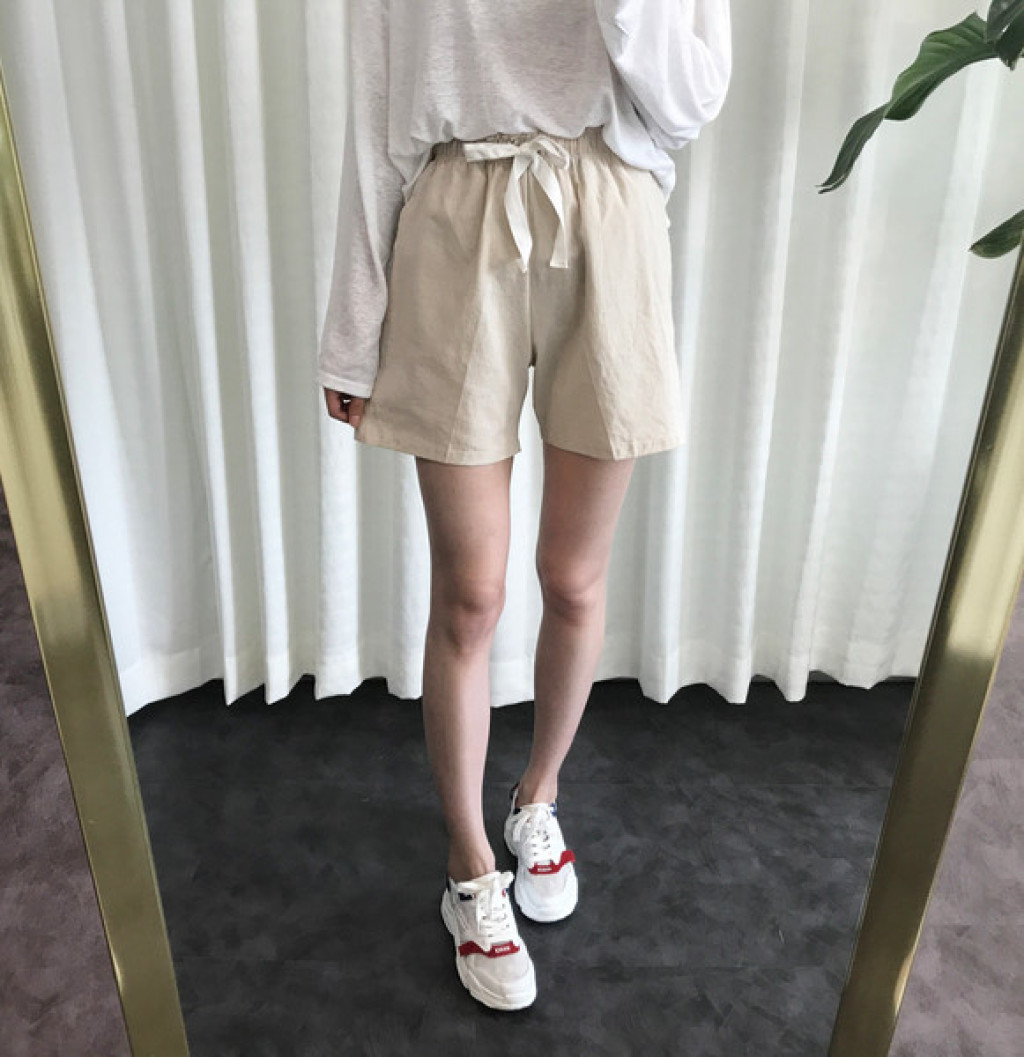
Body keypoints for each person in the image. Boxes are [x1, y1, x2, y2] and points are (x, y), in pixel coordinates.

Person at [319, 0, 732, 1012]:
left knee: (574, 580)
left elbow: (692, 100)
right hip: (455, 210)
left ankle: (536, 797)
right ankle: (470, 867)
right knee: (471, 592)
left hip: (612, 208)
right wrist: (351, 332)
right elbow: (375, 120)